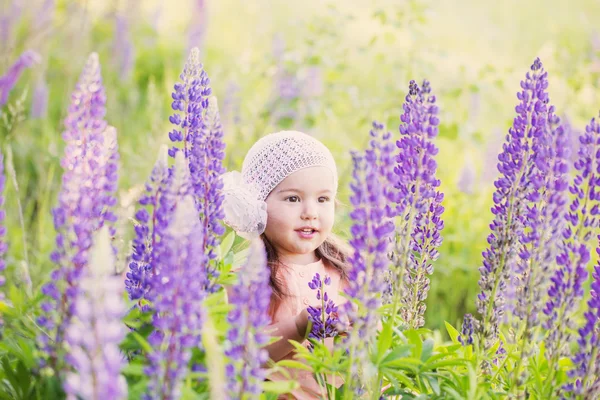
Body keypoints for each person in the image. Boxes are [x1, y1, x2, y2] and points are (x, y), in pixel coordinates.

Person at [221, 130, 351, 399]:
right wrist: (299, 326)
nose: (310, 212)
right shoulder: (249, 277)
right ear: (258, 205)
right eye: (293, 198)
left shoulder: (344, 268)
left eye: (323, 199)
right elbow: (246, 356)